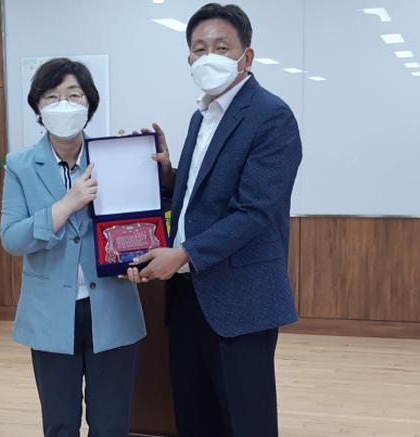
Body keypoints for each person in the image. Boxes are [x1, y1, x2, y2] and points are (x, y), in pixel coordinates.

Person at [126, 4, 302, 436]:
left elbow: (254, 211)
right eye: (200, 49)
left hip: (240, 298)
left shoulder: (270, 116)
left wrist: (184, 253)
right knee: (195, 417)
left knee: (246, 422)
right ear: (189, 58)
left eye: (222, 48)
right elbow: (198, 199)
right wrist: (167, 177)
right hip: (187, 295)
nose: (209, 57)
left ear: (247, 57)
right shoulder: (201, 116)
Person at [0, 58, 146, 437]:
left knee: (111, 425)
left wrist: (139, 260)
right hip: (50, 315)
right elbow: (12, 238)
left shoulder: (114, 157)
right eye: (51, 96)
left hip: (112, 309)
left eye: (74, 95)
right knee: (60, 424)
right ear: (38, 106)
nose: (63, 105)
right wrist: (66, 205)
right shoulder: (20, 166)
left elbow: (138, 227)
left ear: (89, 103)